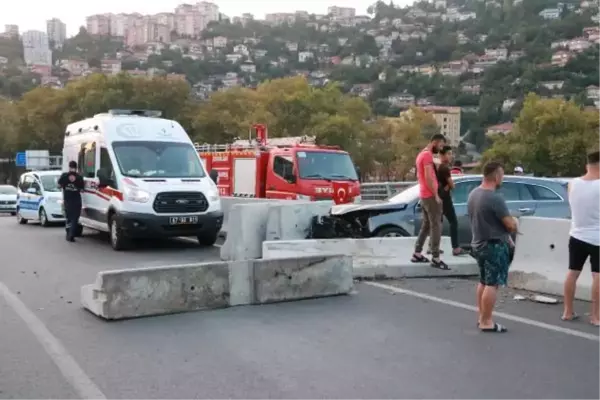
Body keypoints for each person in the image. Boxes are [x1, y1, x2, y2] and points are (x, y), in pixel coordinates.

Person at [468, 162, 517, 333]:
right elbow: (509, 225)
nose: (502, 178)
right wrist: (515, 222)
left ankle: (481, 316)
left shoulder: (474, 194)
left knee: (483, 281)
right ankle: (487, 321)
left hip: (478, 243)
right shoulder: (495, 198)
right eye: (502, 175)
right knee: (492, 284)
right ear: (496, 176)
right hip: (494, 246)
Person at [562, 150, 600, 326]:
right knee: (598, 276)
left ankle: (568, 312)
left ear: (587, 165)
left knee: (572, 272)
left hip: (576, 234)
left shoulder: (572, 183)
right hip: (597, 237)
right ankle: (596, 316)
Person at [411, 133, 448, 270]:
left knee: (426, 225)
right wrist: (436, 194)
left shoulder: (422, 154)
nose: (440, 148)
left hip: (424, 195)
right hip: (430, 196)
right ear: (435, 142)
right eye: (440, 145)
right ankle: (436, 257)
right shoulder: (426, 156)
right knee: (436, 225)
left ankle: (417, 253)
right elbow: (428, 176)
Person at [436, 146, 466, 256]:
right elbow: (452, 185)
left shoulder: (438, 166)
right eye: (448, 154)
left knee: (437, 223)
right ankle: (456, 248)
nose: (450, 156)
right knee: (453, 222)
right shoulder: (444, 168)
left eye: (451, 154)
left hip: (438, 197)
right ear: (442, 155)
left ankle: (434, 246)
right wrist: (449, 186)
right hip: (445, 199)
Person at [58, 161, 85, 242]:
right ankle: (71, 234)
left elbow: (59, 185)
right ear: (76, 168)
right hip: (76, 201)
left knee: (69, 218)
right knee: (75, 218)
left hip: (67, 200)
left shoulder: (64, 176)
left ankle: (69, 234)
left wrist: (66, 186)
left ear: (69, 167)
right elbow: (82, 190)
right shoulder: (79, 177)